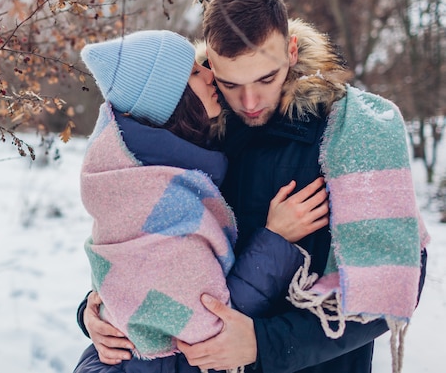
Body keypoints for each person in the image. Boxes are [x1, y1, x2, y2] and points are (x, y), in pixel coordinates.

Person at [79, 0, 429, 373]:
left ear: (291, 51)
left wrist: (264, 344)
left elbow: (395, 284)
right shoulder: (193, 131)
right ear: (210, 65)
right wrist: (95, 310)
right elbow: (142, 248)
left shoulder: (352, 130)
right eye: (231, 84)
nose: (249, 102)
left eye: (266, 78)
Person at [75, 29, 329, 373]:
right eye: (195, 72)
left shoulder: (151, 169)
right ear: (171, 98)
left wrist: (94, 310)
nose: (209, 73)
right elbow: (207, 326)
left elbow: (140, 285)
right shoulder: (156, 193)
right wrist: (276, 240)